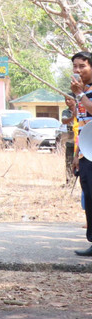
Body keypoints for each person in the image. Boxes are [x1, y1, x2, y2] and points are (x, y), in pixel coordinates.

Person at [67, 50, 92, 256]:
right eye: (75, 66)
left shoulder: (85, 92)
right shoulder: (80, 93)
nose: (77, 70)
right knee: (90, 199)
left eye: (82, 66)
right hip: (86, 153)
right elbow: (80, 126)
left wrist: (81, 95)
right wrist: (76, 154)